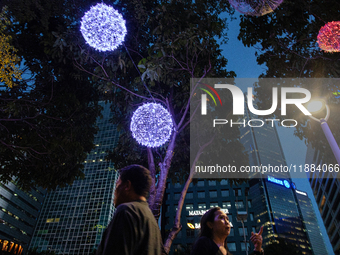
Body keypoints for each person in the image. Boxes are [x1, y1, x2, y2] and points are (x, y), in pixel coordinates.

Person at [96, 165, 162, 255]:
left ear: (127, 185)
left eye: (117, 184)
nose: (115, 190)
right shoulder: (153, 222)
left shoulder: (126, 211)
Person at [191, 207, 264, 255]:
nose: (226, 221)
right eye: (221, 217)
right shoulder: (204, 243)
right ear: (210, 224)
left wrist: (257, 248)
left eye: (227, 218)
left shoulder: (227, 252)